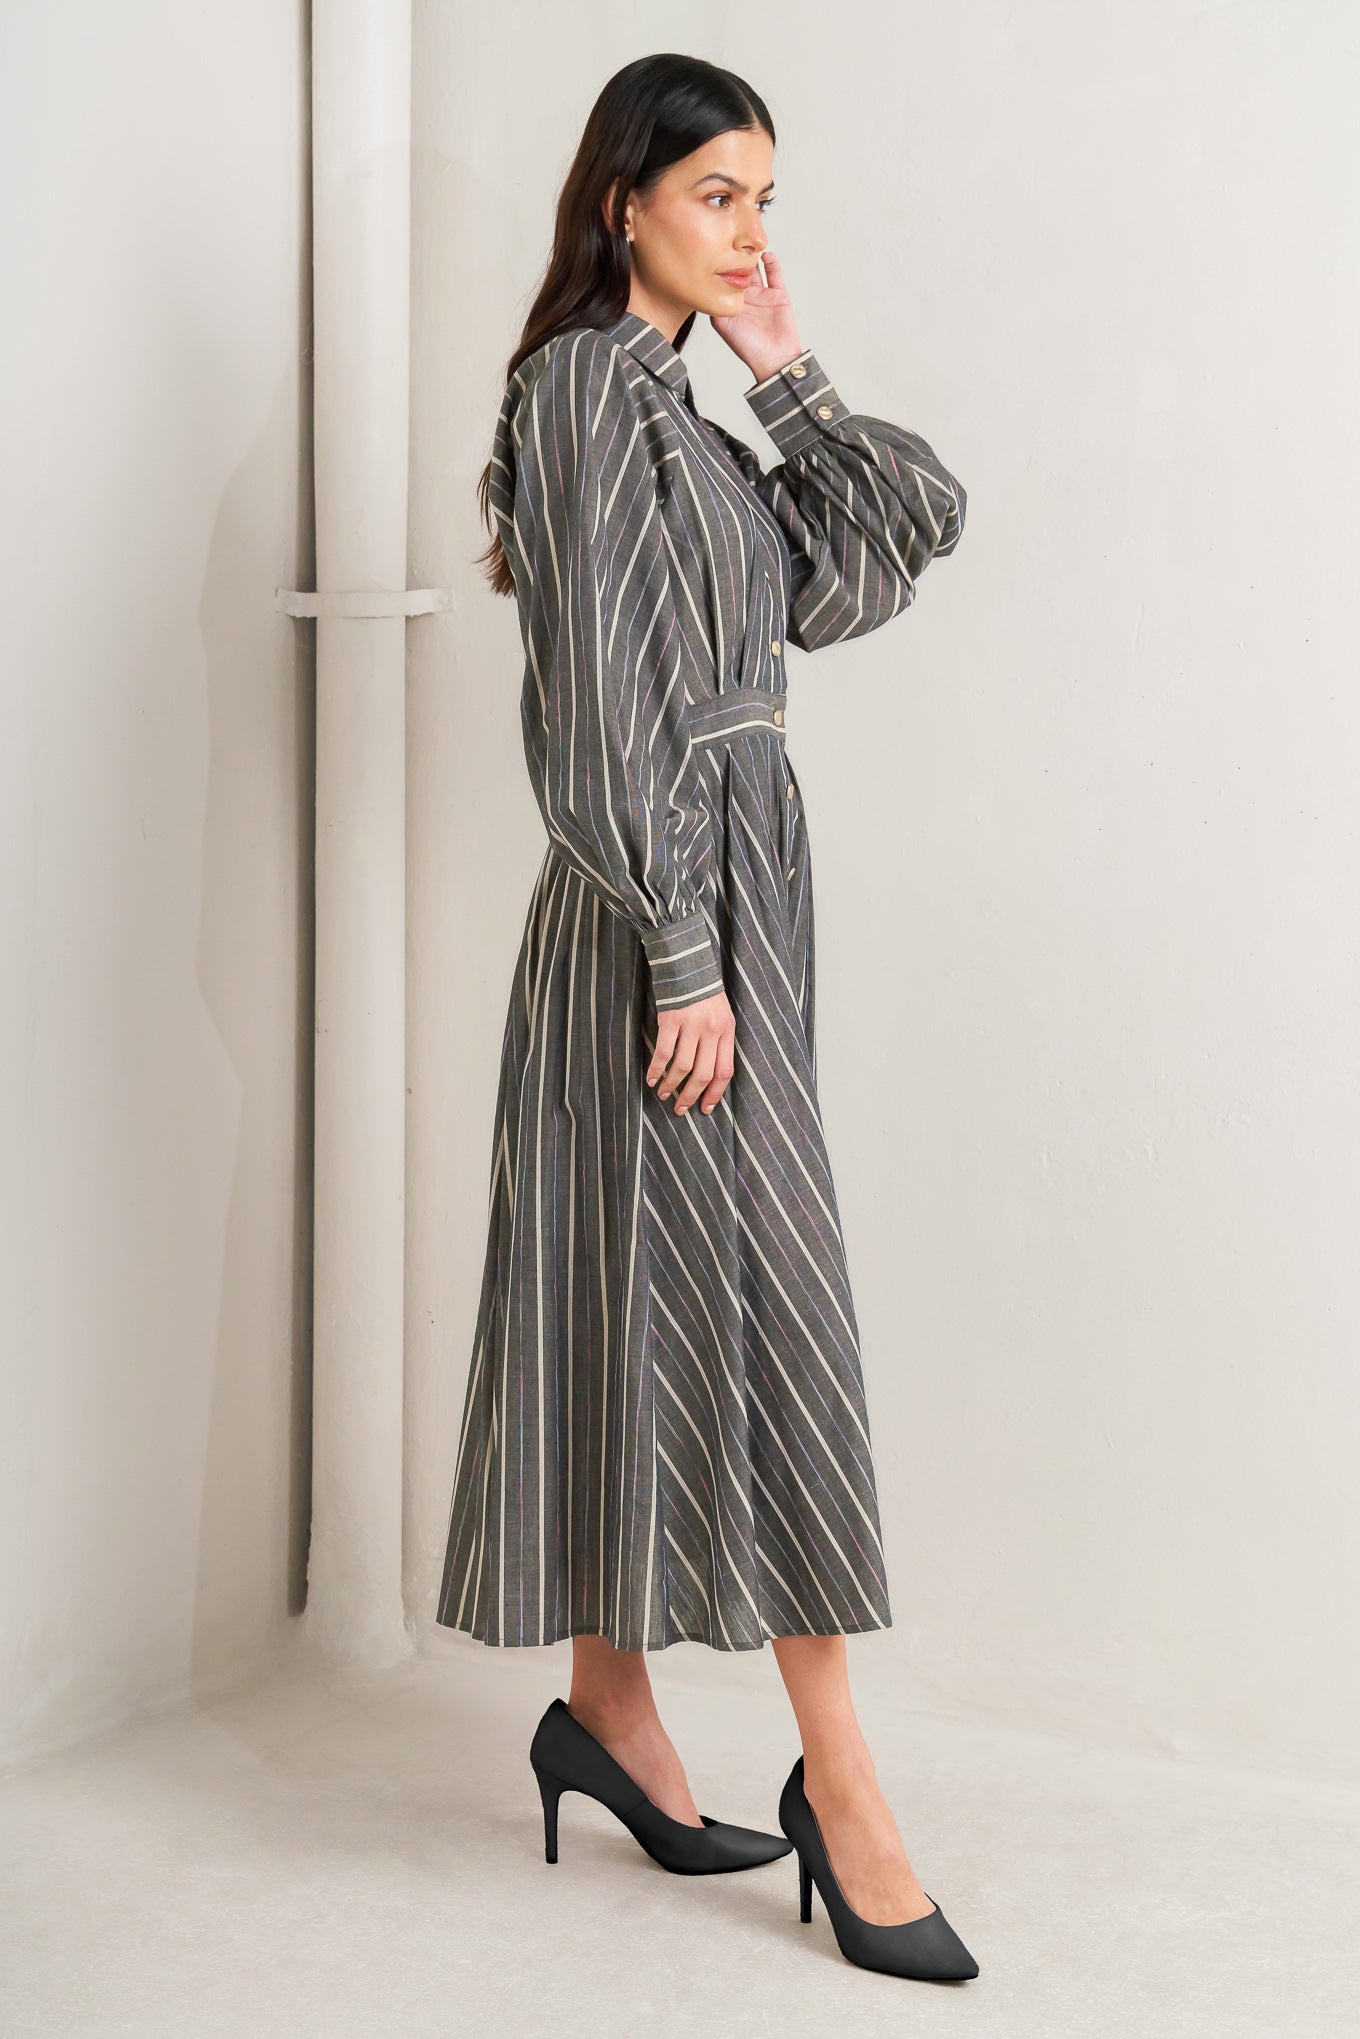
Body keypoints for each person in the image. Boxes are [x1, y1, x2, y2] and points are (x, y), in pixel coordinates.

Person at [436, 53, 976, 1982]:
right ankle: (846, 1789)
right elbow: (592, 708)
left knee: (644, 1296)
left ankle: (614, 1714)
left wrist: (787, 366)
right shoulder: (584, 391)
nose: (752, 231)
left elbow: (905, 533)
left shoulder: (691, 415)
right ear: (624, 203)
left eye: (766, 199)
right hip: (658, 917)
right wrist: (682, 952)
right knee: (764, 1310)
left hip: (742, 898)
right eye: (719, 197)